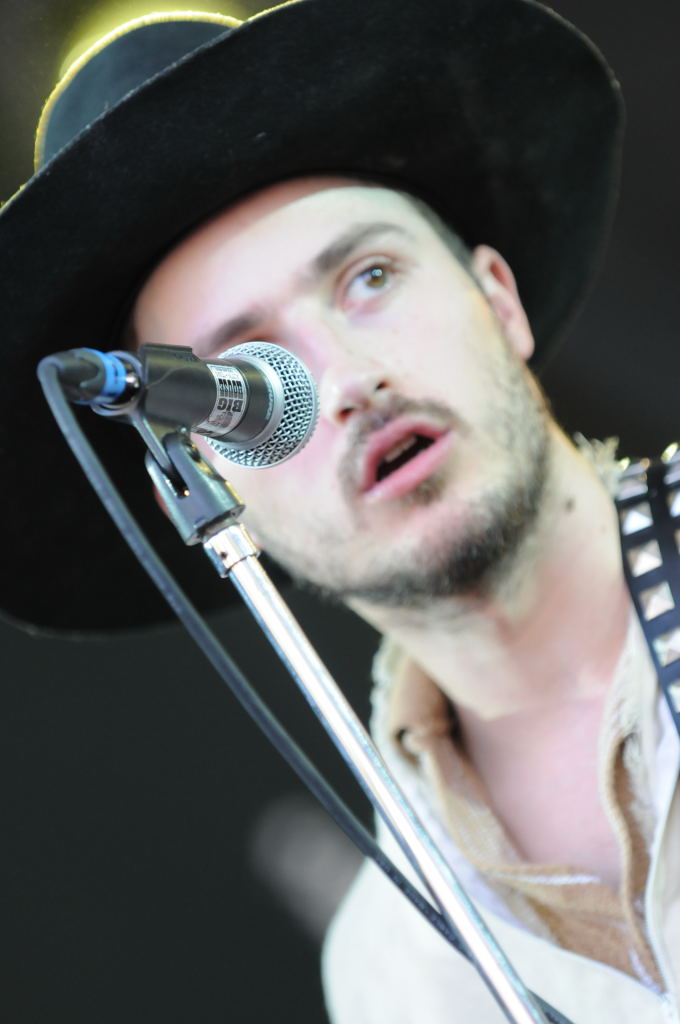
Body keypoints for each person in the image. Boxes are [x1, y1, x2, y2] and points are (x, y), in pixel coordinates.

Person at [0, 1, 677, 1021]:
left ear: (498, 298)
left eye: (370, 278)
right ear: (203, 478)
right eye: (241, 380)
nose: (346, 380)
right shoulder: (390, 971)